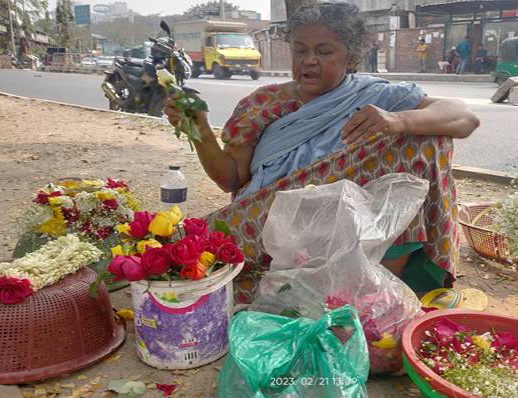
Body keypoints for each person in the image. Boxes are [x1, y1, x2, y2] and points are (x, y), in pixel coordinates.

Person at [164, 2, 480, 303]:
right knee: (181, 263)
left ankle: (384, 288)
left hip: (353, 228)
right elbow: (231, 179)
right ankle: (355, 290)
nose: (309, 61)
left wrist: (398, 119)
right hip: (272, 225)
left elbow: (465, 117)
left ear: (351, 58)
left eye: (324, 52)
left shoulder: (375, 95)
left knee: (422, 140)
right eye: (300, 50)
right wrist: (200, 131)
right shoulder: (262, 103)